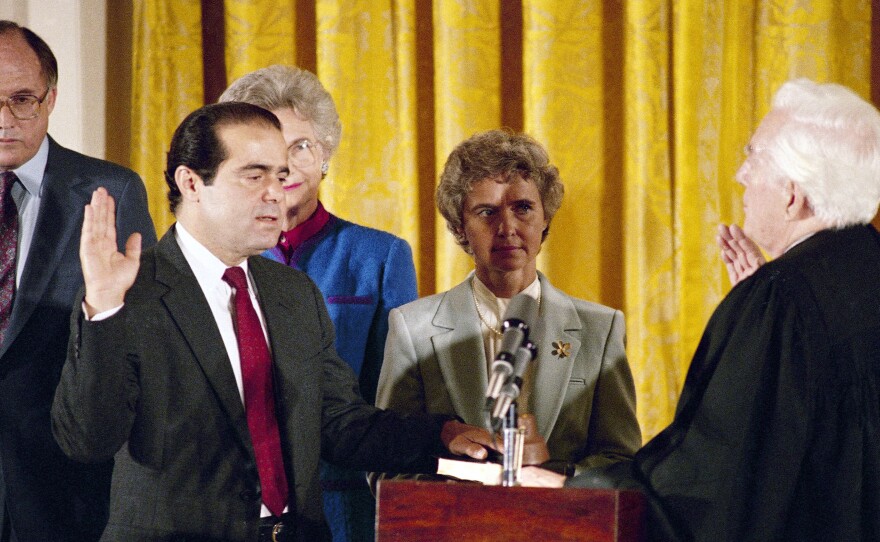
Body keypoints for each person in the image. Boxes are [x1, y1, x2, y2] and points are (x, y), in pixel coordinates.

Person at [50, 102, 493, 542]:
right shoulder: (128, 290)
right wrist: (104, 307)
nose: (275, 193)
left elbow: (338, 422)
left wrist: (441, 434)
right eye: (254, 175)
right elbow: (87, 440)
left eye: (280, 176)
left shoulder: (293, 293)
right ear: (191, 183)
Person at [531, 79, 880, 541]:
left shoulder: (781, 301)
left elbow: (712, 477)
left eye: (753, 156)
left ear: (793, 195)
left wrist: (582, 489)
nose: (741, 175)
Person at [218, 65, 418, 542]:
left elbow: (392, 397)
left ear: (326, 155)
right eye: (266, 151)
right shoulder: (213, 256)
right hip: (228, 504)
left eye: (301, 147)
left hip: (341, 503)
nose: (284, 166)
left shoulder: (382, 256)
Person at [374, 129, 641, 480]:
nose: (507, 227)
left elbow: (622, 464)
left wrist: (552, 478)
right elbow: (386, 469)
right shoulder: (413, 328)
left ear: (545, 217)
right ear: (459, 226)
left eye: (523, 208)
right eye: (487, 212)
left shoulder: (601, 328)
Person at [0, 21, 155, 541]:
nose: (4, 119)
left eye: (21, 99)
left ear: (50, 99)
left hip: (66, 485)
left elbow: (143, 345)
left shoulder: (109, 191)